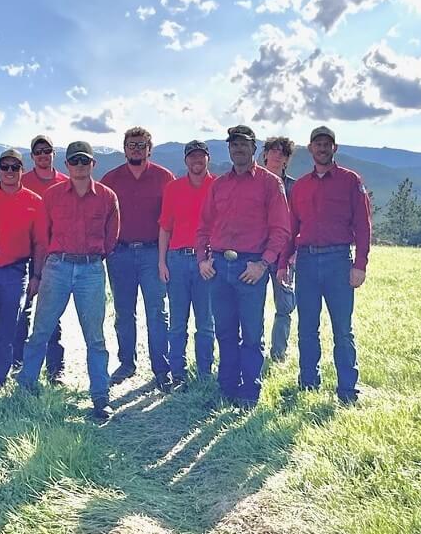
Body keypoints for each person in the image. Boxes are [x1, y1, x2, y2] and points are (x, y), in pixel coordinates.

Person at [18, 141, 119, 421]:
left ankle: (100, 396)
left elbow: (111, 237)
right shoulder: (52, 196)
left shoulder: (107, 197)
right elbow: (43, 236)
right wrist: (41, 271)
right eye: (74, 161)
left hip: (91, 269)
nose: (79, 166)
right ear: (67, 165)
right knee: (41, 330)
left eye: (84, 161)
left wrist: (94, 258)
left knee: (95, 338)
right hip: (57, 267)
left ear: (93, 164)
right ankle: (25, 387)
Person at [195, 125, 290, 409]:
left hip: (251, 267)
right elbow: (203, 227)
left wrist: (263, 264)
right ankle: (226, 387)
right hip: (219, 267)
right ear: (229, 148)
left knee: (251, 333)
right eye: (233, 144)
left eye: (243, 144)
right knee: (224, 332)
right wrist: (202, 259)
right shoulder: (219, 185)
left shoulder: (270, 184)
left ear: (253, 148)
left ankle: (249, 391)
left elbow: (281, 229)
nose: (238, 149)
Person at [280, 126, 371, 405]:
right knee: (307, 328)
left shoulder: (350, 181)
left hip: (338, 261)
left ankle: (347, 390)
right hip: (306, 262)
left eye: (327, 144)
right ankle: (308, 382)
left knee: (342, 329)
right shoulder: (300, 186)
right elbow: (292, 227)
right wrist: (283, 263)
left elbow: (363, 225)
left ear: (335, 148)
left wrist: (360, 264)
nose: (322, 148)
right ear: (310, 149)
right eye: (317, 144)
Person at [100, 127, 175, 390]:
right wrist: (106, 249)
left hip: (153, 252)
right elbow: (101, 216)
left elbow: (171, 218)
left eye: (141, 145)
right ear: (124, 148)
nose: (136, 149)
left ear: (149, 149)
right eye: (131, 145)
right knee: (124, 312)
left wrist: (166, 254)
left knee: (157, 312)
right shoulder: (111, 179)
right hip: (119, 253)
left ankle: (161, 368)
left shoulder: (164, 178)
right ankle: (126, 363)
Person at [0, 149, 42, 390]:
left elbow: (39, 243)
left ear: (22, 171)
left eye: (15, 167)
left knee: (6, 332)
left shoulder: (35, 202)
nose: (10, 171)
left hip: (16, 273)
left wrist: (37, 276)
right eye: (5, 167)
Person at [157, 140, 216, 390]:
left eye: (201, 156)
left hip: (207, 262)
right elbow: (165, 227)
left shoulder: (218, 186)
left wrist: (213, 258)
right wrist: (161, 262)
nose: (196, 160)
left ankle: (204, 373)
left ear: (208, 159)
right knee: (177, 323)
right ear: (185, 160)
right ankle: (178, 373)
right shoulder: (173, 188)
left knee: (205, 323)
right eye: (192, 156)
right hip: (177, 260)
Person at [15, 134, 68, 379]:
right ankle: (18, 364)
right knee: (22, 311)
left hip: (55, 255)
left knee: (51, 312)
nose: (43, 155)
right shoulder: (22, 182)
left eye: (47, 151)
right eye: (38, 152)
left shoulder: (66, 182)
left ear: (53, 153)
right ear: (32, 156)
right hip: (26, 254)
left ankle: (55, 367)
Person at [261, 136, 297, 362]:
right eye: (272, 150)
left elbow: (299, 222)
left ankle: (278, 353)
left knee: (284, 306)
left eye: (282, 152)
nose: (276, 155)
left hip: (284, 254)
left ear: (287, 159)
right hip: (255, 253)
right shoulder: (253, 182)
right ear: (264, 155)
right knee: (250, 307)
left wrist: (292, 253)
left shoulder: (294, 187)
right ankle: (253, 349)